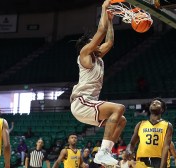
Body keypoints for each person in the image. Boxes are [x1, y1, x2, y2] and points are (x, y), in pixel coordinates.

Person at [70, 0, 126, 166]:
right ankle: (102, 152)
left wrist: (110, 20)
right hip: (81, 101)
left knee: (122, 120)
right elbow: (100, 31)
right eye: (93, 41)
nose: (97, 43)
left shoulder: (98, 57)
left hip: (88, 104)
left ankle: (105, 152)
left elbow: (109, 42)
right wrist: (104, 8)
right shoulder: (84, 54)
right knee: (118, 108)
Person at [127, 98, 173, 168]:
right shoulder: (140, 124)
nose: (154, 103)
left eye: (157, 103)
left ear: (162, 109)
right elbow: (132, 143)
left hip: (158, 160)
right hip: (141, 162)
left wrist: (163, 166)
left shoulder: (167, 125)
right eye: (152, 103)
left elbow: (166, 147)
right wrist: (129, 150)